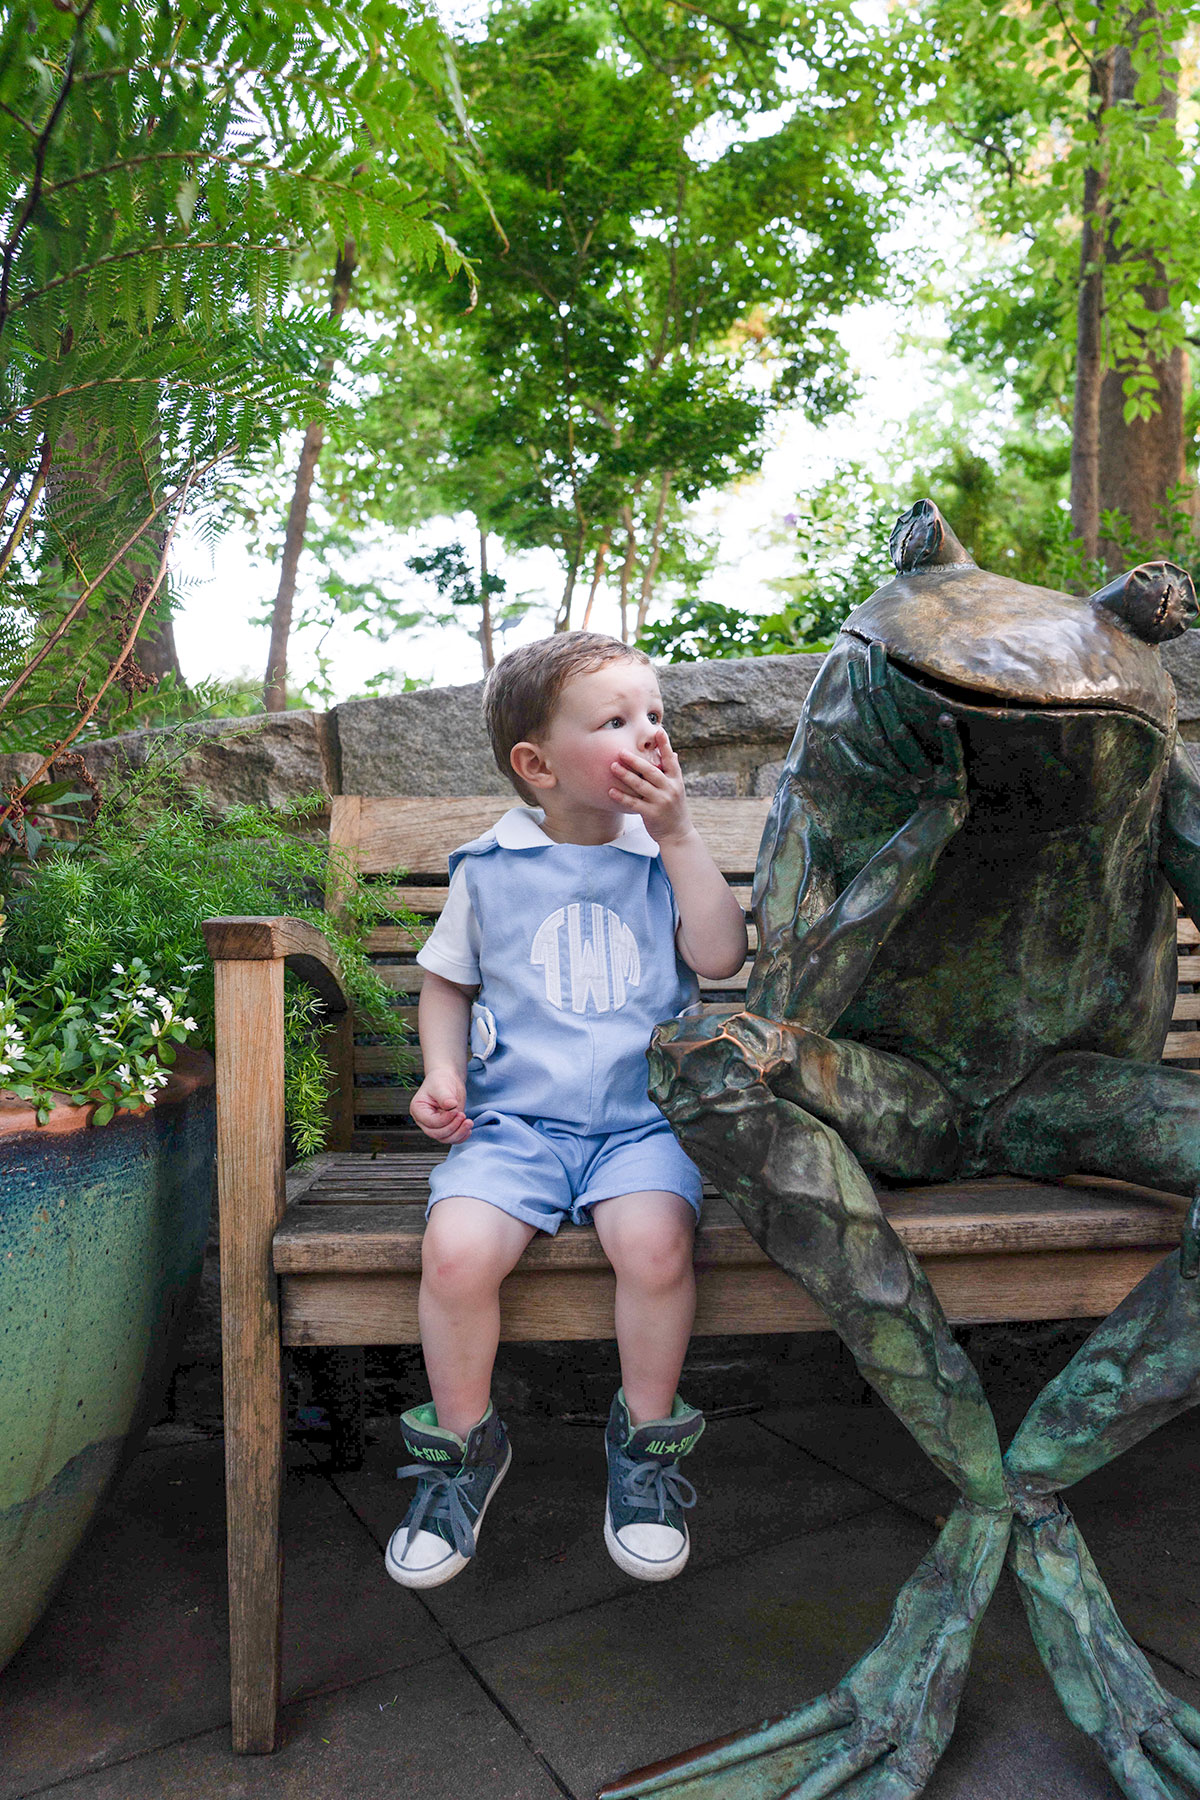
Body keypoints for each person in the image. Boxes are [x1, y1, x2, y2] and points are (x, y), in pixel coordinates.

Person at [386, 631, 748, 1591]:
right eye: (618, 722)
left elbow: (719, 959)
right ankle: (464, 1450)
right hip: (514, 1131)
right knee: (456, 1253)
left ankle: (645, 1452)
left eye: (655, 716)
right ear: (537, 766)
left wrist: (677, 836)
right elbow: (445, 985)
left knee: (656, 1248)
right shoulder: (489, 869)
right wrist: (443, 1076)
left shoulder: (659, 854)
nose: (651, 736)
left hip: (643, 1127)